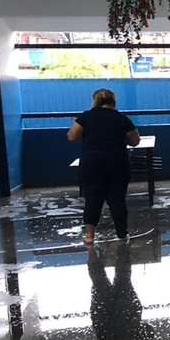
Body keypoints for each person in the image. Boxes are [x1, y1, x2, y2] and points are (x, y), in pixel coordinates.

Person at [67, 88, 140, 244]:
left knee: (92, 198)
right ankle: (122, 234)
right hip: (118, 163)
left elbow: (72, 136)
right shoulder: (121, 118)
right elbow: (135, 141)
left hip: (92, 163)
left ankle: (89, 236)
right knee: (117, 199)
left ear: (95, 101)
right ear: (114, 101)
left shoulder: (86, 117)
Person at [83, 243, 152, 340]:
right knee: (99, 281)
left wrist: (134, 328)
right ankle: (91, 250)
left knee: (123, 276)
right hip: (104, 316)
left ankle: (122, 244)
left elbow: (149, 329)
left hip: (128, 310)